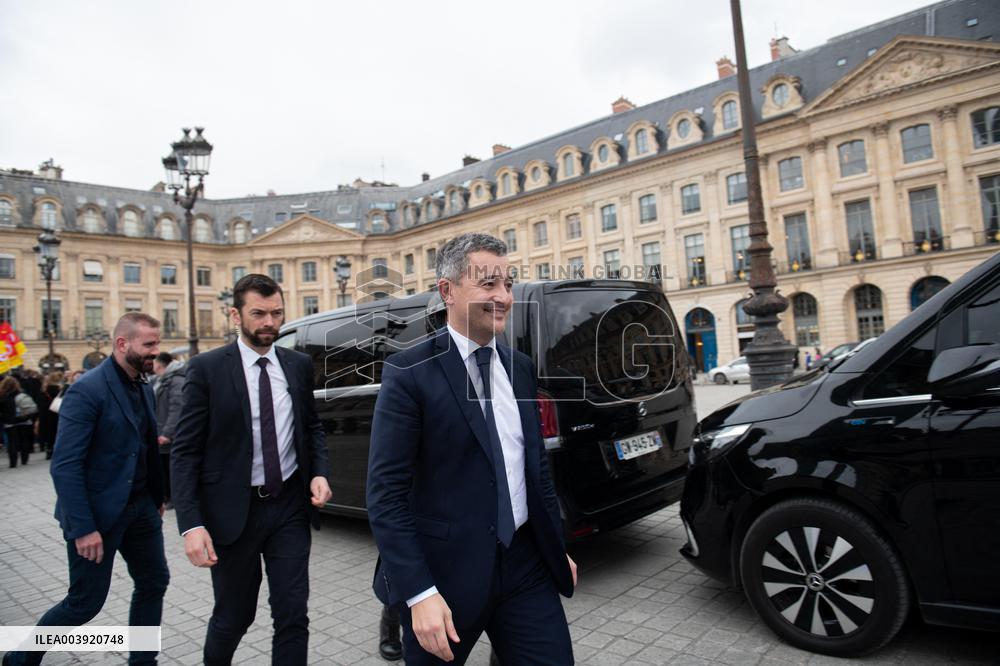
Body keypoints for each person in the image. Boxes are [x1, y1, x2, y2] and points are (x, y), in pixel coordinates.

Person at [367, 232, 577, 665]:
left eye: (508, 283)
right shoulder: (409, 374)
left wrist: (556, 546)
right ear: (447, 291)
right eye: (487, 284)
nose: (502, 296)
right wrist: (419, 593)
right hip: (444, 578)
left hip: (524, 566)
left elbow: (534, 468)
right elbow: (386, 497)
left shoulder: (518, 367)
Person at [171, 273, 332, 666]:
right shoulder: (206, 369)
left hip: (289, 506)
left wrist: (320, 472)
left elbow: (311, 427)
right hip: (232, 513)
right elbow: (185, 451)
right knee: (234, 617)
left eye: (276, 313)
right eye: (258, 313)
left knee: (293, 613)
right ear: (235, 315)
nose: (269, 323)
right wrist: (191, 525)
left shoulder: (296, 364)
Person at [2, 313, 169, 666]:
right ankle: (21, 657)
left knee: (154, 582)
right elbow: (65, 465)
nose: (157, 351)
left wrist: (157, 496)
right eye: (149, 344)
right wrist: (83, 528)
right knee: (83, 604)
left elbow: (144, 446)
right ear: (122, 344)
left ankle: (143, 661)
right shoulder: (86, 390)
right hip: (98, 517)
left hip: (141, 508)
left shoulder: (142, 384)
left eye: (157, 343)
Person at [152, 352, 185, 509]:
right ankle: (167, 496)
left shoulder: (176, 380)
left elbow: (176, 408)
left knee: (171, 467)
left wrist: (167, 433)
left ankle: (173, 497)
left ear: (159, 365)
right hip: (162, 430)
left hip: (172, 435)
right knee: (163, 466)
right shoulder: (162, 379)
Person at [0, 376, 36, 468]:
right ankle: (24, 460)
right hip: (24, 420)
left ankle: (13, 463)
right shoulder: (22, 393)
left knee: (12, 442)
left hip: (10, 422)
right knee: (24, 440)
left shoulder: (2, 396)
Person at [36, 372, 64, 460]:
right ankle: (58, 450)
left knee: (48, 434)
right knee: (57, 432)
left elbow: (39, 404)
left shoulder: (44, 391)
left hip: (46, 415)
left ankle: (49, 450)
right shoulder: (60, 390)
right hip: (57, 413)